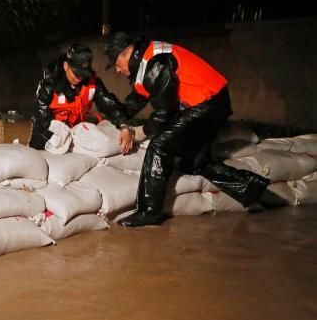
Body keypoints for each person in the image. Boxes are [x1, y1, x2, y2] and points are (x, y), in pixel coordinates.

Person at [103, 32, 270, 227]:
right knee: (193, 161)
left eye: (116, 63)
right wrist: (119, 120)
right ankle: (249, 187)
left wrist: (139, 132)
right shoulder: (145, 63)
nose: (116, 69)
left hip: (206, 104)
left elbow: (164, 112)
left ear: (128, 52)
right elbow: (138, 99)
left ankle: (148, 211)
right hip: (210, 103)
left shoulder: (156, 62)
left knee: (159, 146)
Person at [29, 43, 134, 154]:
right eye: (76, 73)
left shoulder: (91, 83)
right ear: (66, 66)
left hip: (76, 135)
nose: (79, 79)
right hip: (49, 136)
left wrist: (124, 125)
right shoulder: (50, 83)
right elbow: (40, 115)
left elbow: (109, 103)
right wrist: (55, 137)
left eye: (82, 74)